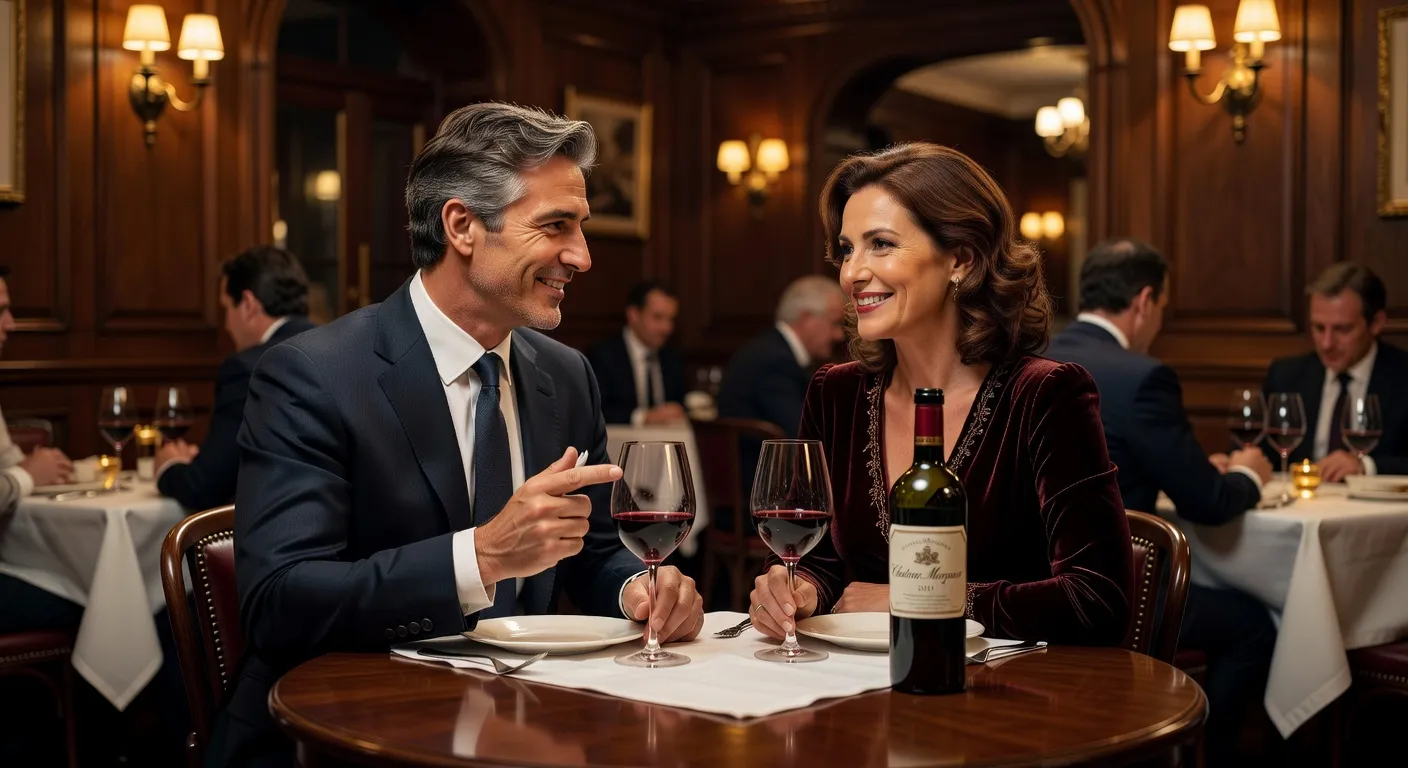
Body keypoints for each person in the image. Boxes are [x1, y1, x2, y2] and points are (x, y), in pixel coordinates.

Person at [208, 103, 704, 768]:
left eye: (580, 228)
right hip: (334, 731)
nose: (582, 257)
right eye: (556, 226)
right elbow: (281, 605)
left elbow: (590, 552)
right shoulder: (314, 375)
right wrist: (480, 559)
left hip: (530, 724)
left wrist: (638, 588)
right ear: (462, 225)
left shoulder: (567, 375)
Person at [749, 143, 1133, 647]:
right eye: (846, 249)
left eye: (880, 244)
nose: (851, 273)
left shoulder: (1045, 395)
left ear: (962, 258)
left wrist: (913, 597)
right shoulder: (835, 393)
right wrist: (795, 588)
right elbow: (823, 566)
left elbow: (1099, 598)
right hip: (853, 691)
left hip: (1006, 700)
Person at [1045, 239, 1276, 766]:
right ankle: (1207, 755)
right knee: (1254, 625)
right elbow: (1208, 501)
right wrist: (1248, 474)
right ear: (1146, 300)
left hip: (1027, 585)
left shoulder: (1030, 356)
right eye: (1163, 309)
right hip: (1110, 599)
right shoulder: (1140, 376)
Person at [154, 247, 314, 512]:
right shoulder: (340, 348)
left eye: (226, 308)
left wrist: (168, 467)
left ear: (248, 305)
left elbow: (204, 487)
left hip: (277, 536)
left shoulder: (247, 369)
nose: (226, 324)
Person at [1263, 263, 1408, 481]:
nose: (1327, 343)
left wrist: (1365, 466)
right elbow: (1258, 451)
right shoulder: (1286, 376)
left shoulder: (1402, 375)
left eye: (1342, 329)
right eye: (1319, 328)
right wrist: (1232, 462)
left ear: (1377, 323)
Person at [716, 274, 845, 504]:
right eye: (835, 323)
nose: (839, 335)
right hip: (765, 501)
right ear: (807, 318)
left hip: (756, 492)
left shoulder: (770, 349)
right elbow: (803, 435)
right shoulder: (774, 361)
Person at [586, 280, 687, 425]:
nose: (667, 328)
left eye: (671, 319)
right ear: (633, 314)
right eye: (658, 317)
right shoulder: (603, 355)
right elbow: (594, 410)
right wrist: (644, 418)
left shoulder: (672, 357)